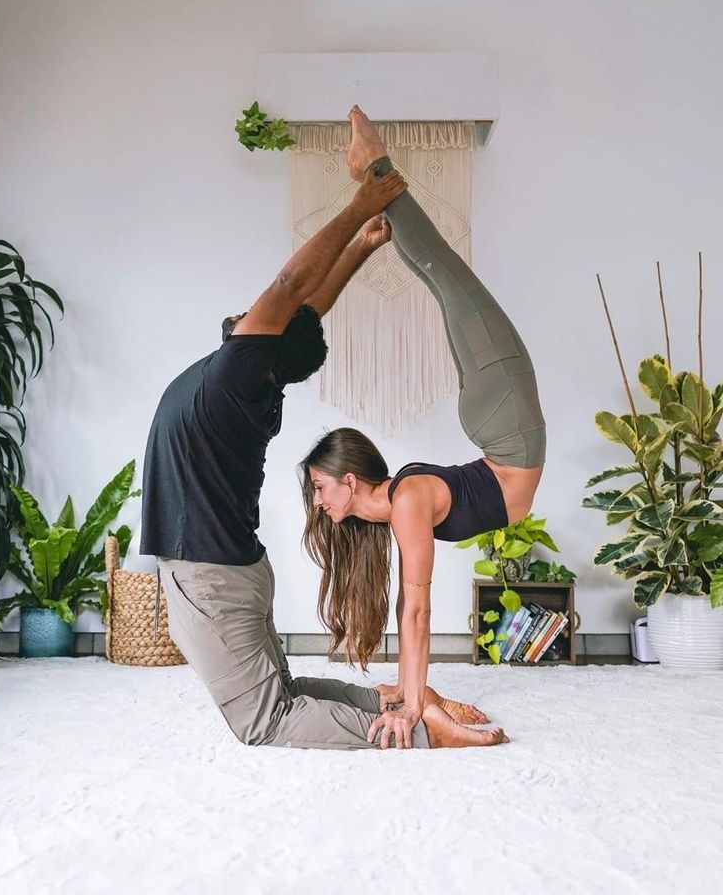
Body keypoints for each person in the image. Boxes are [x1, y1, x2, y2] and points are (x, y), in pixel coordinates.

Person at [141, 164, 505, 751]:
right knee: (279, 690)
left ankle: (409, 728)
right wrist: (359, 251)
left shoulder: (237, 377)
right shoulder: (256, 384)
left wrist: (362, 207)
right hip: (238, 568)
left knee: (263, 721)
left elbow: (291, 287)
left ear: (268, 345)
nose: (257, 308)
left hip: (207, 573)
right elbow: (306, 308)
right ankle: (393, 699)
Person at [300, 106, 546, 749]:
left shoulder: (407, 500)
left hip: (507, 425)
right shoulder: (401, 501)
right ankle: (374, 167)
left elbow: (417, 610)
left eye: (320, 489)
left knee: (441, 272)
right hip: (502, 424)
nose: (319, 502)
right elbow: (412, 612)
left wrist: (410, 707)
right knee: (441, 276)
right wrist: (413, 696)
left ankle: (376, 166)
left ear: (349, 481)